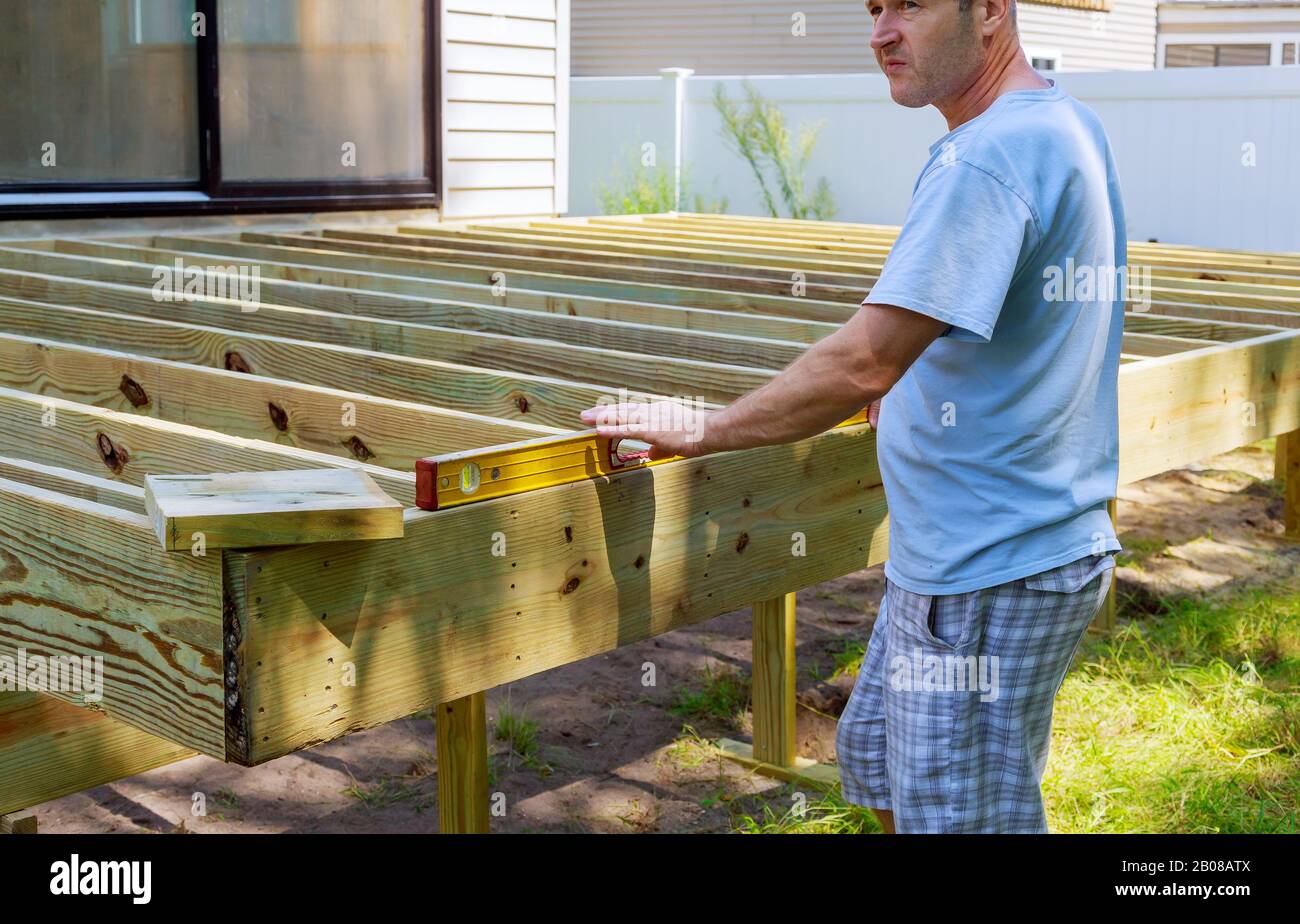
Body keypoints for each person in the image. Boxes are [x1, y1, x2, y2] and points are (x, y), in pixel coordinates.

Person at [581, 0, 1125, 833]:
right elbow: (997, 327)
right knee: (877, 770)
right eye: (873, 8)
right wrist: (910, 387)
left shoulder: (989, 155)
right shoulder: (1057, 123)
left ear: (988, 11)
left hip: (989, 574)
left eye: (911, 5)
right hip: (973, 559)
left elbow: (866, 356)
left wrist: (703, 426)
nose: (881, 32)